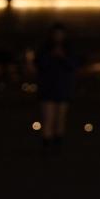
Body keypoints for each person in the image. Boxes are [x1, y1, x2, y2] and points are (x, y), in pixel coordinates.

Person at [35, 22, 77, 151]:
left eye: (60, 34)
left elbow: (73, 65)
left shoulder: (69, 49)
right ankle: (47, 144)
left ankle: (58, 144)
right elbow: (39, 64)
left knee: (60, 118)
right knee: (48, 118)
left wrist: (63, 57)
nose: (58, 37)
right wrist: (51, 56)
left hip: (63, 87)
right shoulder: (45, 49)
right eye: (56, 34)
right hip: (48, 87)